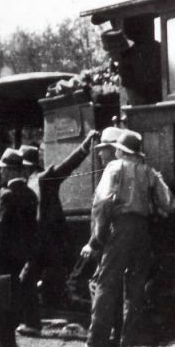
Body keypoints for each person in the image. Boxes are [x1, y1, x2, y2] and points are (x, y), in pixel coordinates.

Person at [69, 130, 175, 347]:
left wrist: (95, 241)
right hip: (142, 232)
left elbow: (102, 205)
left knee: (106, 283)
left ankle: (95, 344)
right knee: (134, 287)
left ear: (120, 151)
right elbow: (169, 203)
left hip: (119, 229)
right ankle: (126, 345)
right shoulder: (149, 172)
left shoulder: (114, 168)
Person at [17, 131, 98, 337]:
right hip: (39, 243)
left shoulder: (45, 179)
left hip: (51, 242)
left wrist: (85, 146)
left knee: (32, 281)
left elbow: (67, 166)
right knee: (34, 282)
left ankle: (34, 324)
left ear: (27, 167)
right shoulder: (23, 186)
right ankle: (33, 323)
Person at [0, 148, 38, 347]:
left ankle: (4, 345)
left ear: (9, 171)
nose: (1, 174)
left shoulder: (6, 196)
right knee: (14, 297)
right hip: (20, 256)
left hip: (4, 256)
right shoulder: (30, 195)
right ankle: (6, 343)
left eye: (3, 170)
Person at [65, 126, 122, 304]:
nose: (99, 155)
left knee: (104, 286)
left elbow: (103, 208)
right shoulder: (128, 171)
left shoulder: (112, 173)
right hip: (117, 237)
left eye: (102, 150)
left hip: (107, 238)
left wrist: (93, 242)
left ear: (113, 150)